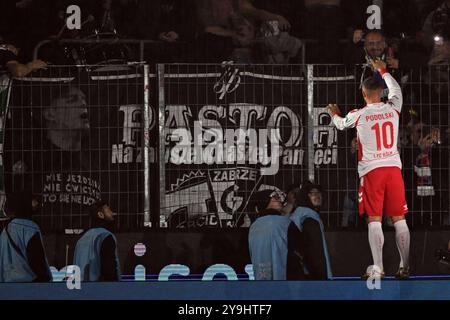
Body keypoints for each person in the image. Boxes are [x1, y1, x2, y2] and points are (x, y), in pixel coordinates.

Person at [327, 59, 411, 280]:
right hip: (393, 169)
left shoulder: (359, 114)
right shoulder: (394, 107)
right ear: (381, 92)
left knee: (374, 219)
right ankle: (404, 266)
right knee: (399, 218)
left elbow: (341, 124)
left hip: (372, 172)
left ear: (364, 95)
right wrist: (383, 70)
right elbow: (396, 88)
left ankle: (379, 267)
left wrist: (334, 113)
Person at [248, 189, 306, 280]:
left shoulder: (254, 226)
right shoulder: (284, 223)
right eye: (275, 197)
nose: (279, 199)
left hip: (261, 278)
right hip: (286, 277)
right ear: (265, 201)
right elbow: (300, 247)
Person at [0, 189, 52, 282]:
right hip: (28, 286)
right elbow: (37, 260)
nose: (36, 204)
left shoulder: (5, 231)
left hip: (6, 287)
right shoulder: (30, 228)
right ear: (25, 204)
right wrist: (45, 278)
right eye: (33, 201)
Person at [290, 181, 333, 280]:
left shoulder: (300, 214)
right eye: (312, 193)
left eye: (319, 193)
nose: (317, 196)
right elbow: (315, 253)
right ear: (304, 196)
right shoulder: (308, 218)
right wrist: (321, 275)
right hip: (311, 276)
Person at [73, 200, 121, 281]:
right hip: (100, 290)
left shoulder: (81, 240)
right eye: (108, 210)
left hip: (81, 290)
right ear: (100, 214)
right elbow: (109, 269)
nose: (112, 213)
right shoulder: (105, 236)